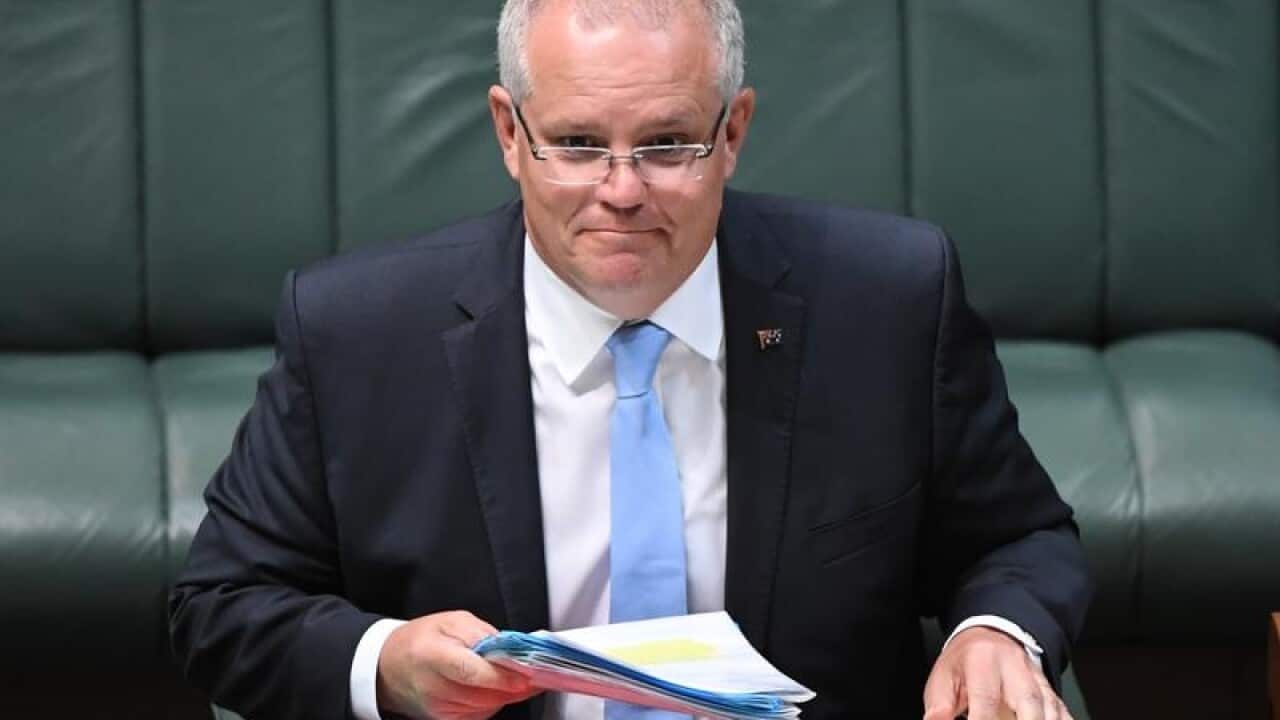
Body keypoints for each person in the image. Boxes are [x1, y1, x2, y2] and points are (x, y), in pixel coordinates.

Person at [170, 1, 1091, 719]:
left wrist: (993, 632)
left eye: (666, 145)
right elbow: (220, 602)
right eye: (576, 144)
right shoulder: (354, 331)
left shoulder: (888, 299)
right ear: (508, 133)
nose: (620, 192)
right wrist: (385, 665)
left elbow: (1019, 536)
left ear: (731, 133)